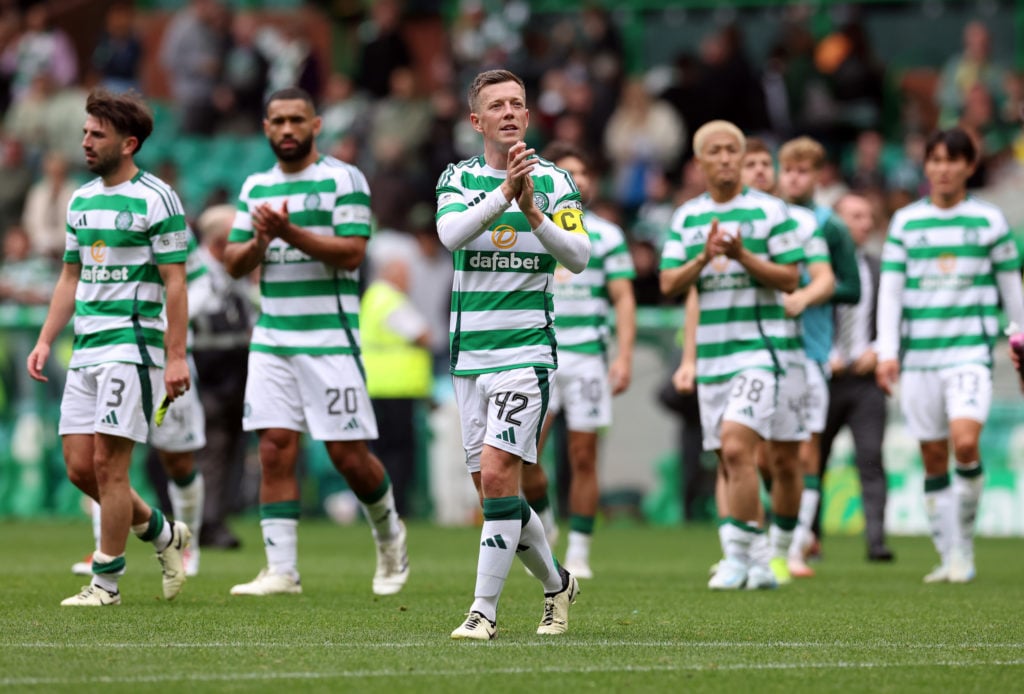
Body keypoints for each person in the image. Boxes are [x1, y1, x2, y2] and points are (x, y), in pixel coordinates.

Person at [223, 86, 408, 597]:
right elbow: (233, 261)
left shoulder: (343, 179)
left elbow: (351, 253)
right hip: (273, 338)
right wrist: (261, 240)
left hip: (330, 339)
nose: (287, 129)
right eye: (277, 120)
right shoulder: (256, 186)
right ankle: (282, 569)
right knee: (275, 448)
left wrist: (288, 232)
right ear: (265, 128)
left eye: (296, 120)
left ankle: (389, 532)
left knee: (347, 455)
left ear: (315, 125)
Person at [438, 69, 589, 640]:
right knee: (494, 491)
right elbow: (451, 236)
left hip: (525, 355)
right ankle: (557, 585)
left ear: (528, 117)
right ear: (476, 121)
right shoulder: (457, 179)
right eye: (496, 105)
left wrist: (532, 212)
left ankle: (484, 611)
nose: (509, 112)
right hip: (468, 355)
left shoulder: (555, 181)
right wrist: (504, 194)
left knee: (501, 478)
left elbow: (579, 256)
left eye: (517, 104)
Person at [26, 88, 192, 606]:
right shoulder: (80, 199)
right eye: (85, 132)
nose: (86, 141)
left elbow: (176, 282)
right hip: (86, 348)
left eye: (97, 134)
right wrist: (46, 337)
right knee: (79, 466)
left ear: (129, 143)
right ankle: (164, 532)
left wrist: (176, 355)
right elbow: (70, 278)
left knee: (110, 468)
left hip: (132, 346)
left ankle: (107, 583)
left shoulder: (157, 197)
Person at [660, 120, 804, 591]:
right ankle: (756, 561)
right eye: (714, 151)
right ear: (699, 162)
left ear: (743, 158)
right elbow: (667, 284)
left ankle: (742, 558)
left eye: (732, 150)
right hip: (713, 360)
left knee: (739, 446)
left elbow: (789, 278)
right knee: (728, 459)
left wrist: (743, 256)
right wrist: (703, 259)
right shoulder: (686, 218)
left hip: (759, 352)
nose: (724, 158)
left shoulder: (770, 212)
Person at [876, 127, 1024, 584]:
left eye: (951, 160)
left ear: (968, 166)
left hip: (968, 353)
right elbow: (891, 292)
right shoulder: (906, 222)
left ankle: (963, 546)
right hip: (919, 357)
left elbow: (1010, 286)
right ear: (926, 166)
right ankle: (951, 554)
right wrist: (886, 350)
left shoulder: (989, 221)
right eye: (935, 160)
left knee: (965, 443)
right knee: (934, 456)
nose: (942, 169)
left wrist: (1020, 336)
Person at [520, 141, 637, 580]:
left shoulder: (606, 235)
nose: (578, 179)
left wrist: (622, 356)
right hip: (539, 354)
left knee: (584, 456)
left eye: (583, 172)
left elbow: (623, 299)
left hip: (588, 359)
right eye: (568, 171)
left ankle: (582, 551)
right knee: (527, 457)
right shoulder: (528, 225)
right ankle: (546, 528)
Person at [71, 230, 211, 577]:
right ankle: (104, 550)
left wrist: (171, 326)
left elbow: (200, 284)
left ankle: (187, 548)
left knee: (177, 459)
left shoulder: (162, 217)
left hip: (166, 359)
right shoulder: (92, 216)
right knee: (104, 459)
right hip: (116, 353)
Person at [774, 136, 861, 578]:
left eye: (804, 170)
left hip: (811, 351)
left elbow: (852, 286)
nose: (794, 177)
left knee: (805, 450)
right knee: (764, 454)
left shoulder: (830, 225)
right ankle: (776, 536)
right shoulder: (767, 217)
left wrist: (810, 290)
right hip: (765, 348)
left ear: (818, 175)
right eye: (788, 169)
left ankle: (794, 545)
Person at [824, 192, 894, 562]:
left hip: (866, 382)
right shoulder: (819, 269)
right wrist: (827, 354)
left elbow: (897, 320)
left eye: (868, 216)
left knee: (870, 458)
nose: (863, 223)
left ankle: (876, 541)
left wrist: (880, 350)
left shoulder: (880, 269)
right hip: (826, 378)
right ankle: (807, 540)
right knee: (809, 461)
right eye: (854, 216)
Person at [191, 203, 254, 549]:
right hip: (205, 364)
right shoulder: (196, 268)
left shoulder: (234, 270)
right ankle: (205, 522)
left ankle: (214, 518)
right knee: (210, 445)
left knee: (229, 444)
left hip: (235, 365)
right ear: (218, 238)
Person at [360, 251, 432, 517]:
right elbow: (422, 334)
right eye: (404, 275)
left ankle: (377, 505)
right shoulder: (390, 300)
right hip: (396, 388)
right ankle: (396, 506)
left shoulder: (372, 298)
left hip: (376, 386)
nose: (408, 281)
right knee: (400, 452)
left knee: (379, 450)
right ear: (391, 275)